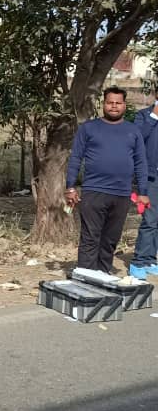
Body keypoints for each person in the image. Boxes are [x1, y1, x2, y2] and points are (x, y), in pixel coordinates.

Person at [65, 86, 149, 274]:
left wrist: (143, 192)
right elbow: (76, 158)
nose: (114, 106)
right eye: (110, 102)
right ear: (103, 104)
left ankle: (103, 276)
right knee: (90, 237)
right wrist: (70, 186)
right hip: (94, 191)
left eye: (118, 103)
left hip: (121, 194)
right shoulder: (89, 128)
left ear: (124, 106)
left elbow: (141, 163)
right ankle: (86, 278)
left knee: (110, 239)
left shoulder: (132, 131)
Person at [129, 89, 158, 278]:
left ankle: (150, 259)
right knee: (150, 220)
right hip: (150, 178)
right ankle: (139, 261)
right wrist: (154, 116)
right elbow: (137, 138)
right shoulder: (143, 116)